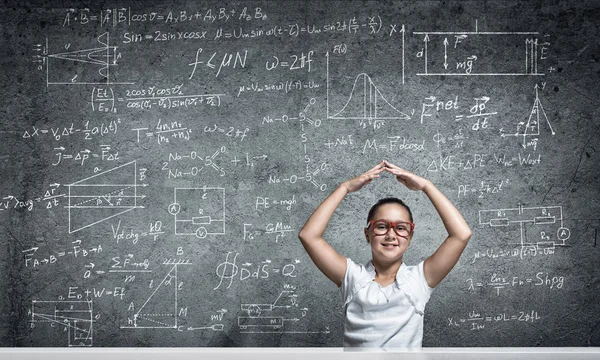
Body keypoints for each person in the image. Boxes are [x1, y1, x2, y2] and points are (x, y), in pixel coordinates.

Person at [298, 160, 472, 348]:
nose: (391, 235)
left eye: (400, 228)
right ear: (368, 234)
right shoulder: (351, 276)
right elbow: (309, 236)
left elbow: (461, 235)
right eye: (381, 226)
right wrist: (344, 187)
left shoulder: (420, 279)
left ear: (410, 236)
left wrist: (426, 186)